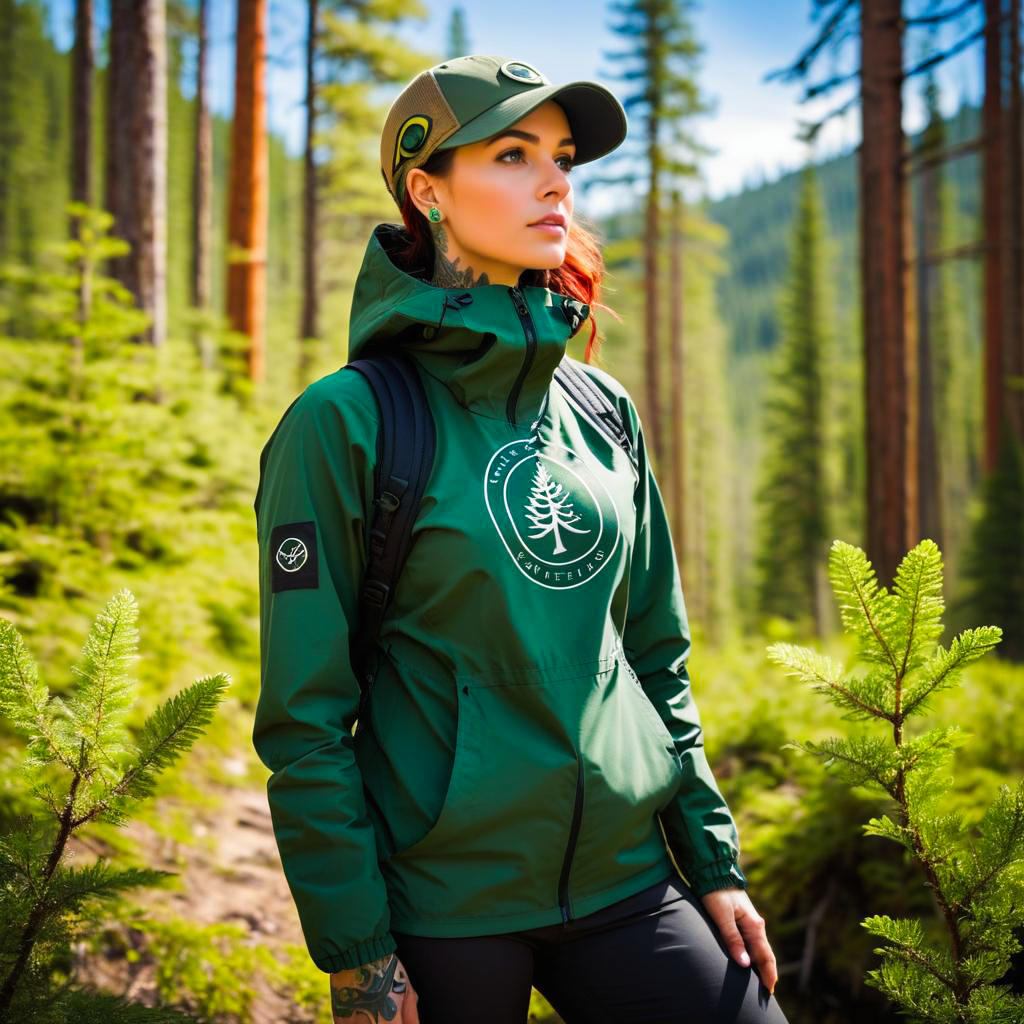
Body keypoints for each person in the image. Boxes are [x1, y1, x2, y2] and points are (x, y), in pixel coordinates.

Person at [253, 54, 791, 1024]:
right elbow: (305, 719)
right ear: (428, 190)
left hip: (625, 879)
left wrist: (710, 862)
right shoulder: (348, 424)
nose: (554, 182)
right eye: (511, 153)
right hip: (444, 905)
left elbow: (654, 657)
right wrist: (359, 954)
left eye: (562, 157)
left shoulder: (602, 408)